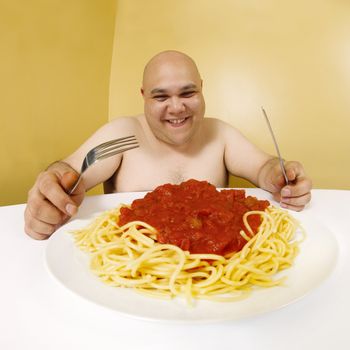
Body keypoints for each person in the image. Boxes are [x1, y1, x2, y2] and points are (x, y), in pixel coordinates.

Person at [24, 50, 312, 240]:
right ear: (144, 96)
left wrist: (281, 175)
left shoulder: (220, 134)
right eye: (161, 97)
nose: (176, 108)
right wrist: (50, 190)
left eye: (188, 93)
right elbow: (70, 173)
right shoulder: (121, 134)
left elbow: (264, 168)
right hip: (132, 275)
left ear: (201, 87)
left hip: (211, 275)